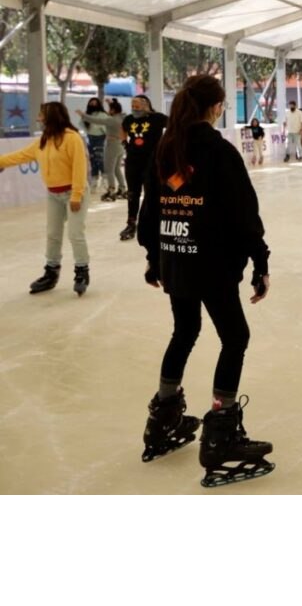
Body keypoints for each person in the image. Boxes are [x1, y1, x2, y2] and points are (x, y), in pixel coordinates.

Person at [137, 74, 273, 487]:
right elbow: (243, 214)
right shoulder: (217, 150)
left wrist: (154, 259)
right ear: (215, 107)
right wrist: (260, 261)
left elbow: (151, 212)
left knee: (185, 330)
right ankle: (221, 433)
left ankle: (163, 416)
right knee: (235, 338)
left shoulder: (166, 147)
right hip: (212, 264)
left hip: (176, 260)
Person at [0, 102, 90, 296]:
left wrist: (76, 195)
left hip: (74, 193)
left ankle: (81, 271)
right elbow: (22, 155)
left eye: (41, 115)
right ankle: (51, 273)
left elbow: (79, 168)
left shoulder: (71, 138)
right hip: (53, 194)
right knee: (52, 234)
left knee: (75, 234)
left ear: (51, 116)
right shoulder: (44, 139)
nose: (37, 119)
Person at [120, 94, 168, 241]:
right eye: (133, 106)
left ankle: (152, 222)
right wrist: (124, 143)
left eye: (137, 106)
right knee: (132, 193)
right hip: (133, 162)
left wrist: (165, 144)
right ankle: (131, 222)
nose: (135, 109)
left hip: (152, 162)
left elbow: (174, 126)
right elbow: (123, 129)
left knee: (151, 192)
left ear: (146, 105)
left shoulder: (158, 118)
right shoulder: (129, 119)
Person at [77, 99, 128, 202]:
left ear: (113, 110)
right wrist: (111, 103)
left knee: (109, 169)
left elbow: (97, 121)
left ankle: (111, 190)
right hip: (121, 144)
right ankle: (122, 189)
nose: (108, 111)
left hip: (112, 145)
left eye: (110, 109)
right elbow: (115, 110)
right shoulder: (123, 117)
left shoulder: (111, 120)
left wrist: (83, 115)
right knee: (117, 168)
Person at [80, 97, 106, 192]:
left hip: (101, 138)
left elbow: (106, 127)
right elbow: (81, 125)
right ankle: (94, 180)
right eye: (91, 103)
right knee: (92, 159)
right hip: (90, 138)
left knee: (100, 158)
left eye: (95, 103)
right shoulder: (86, 115)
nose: (93, 105)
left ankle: (105, 179)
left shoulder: (102, 115)